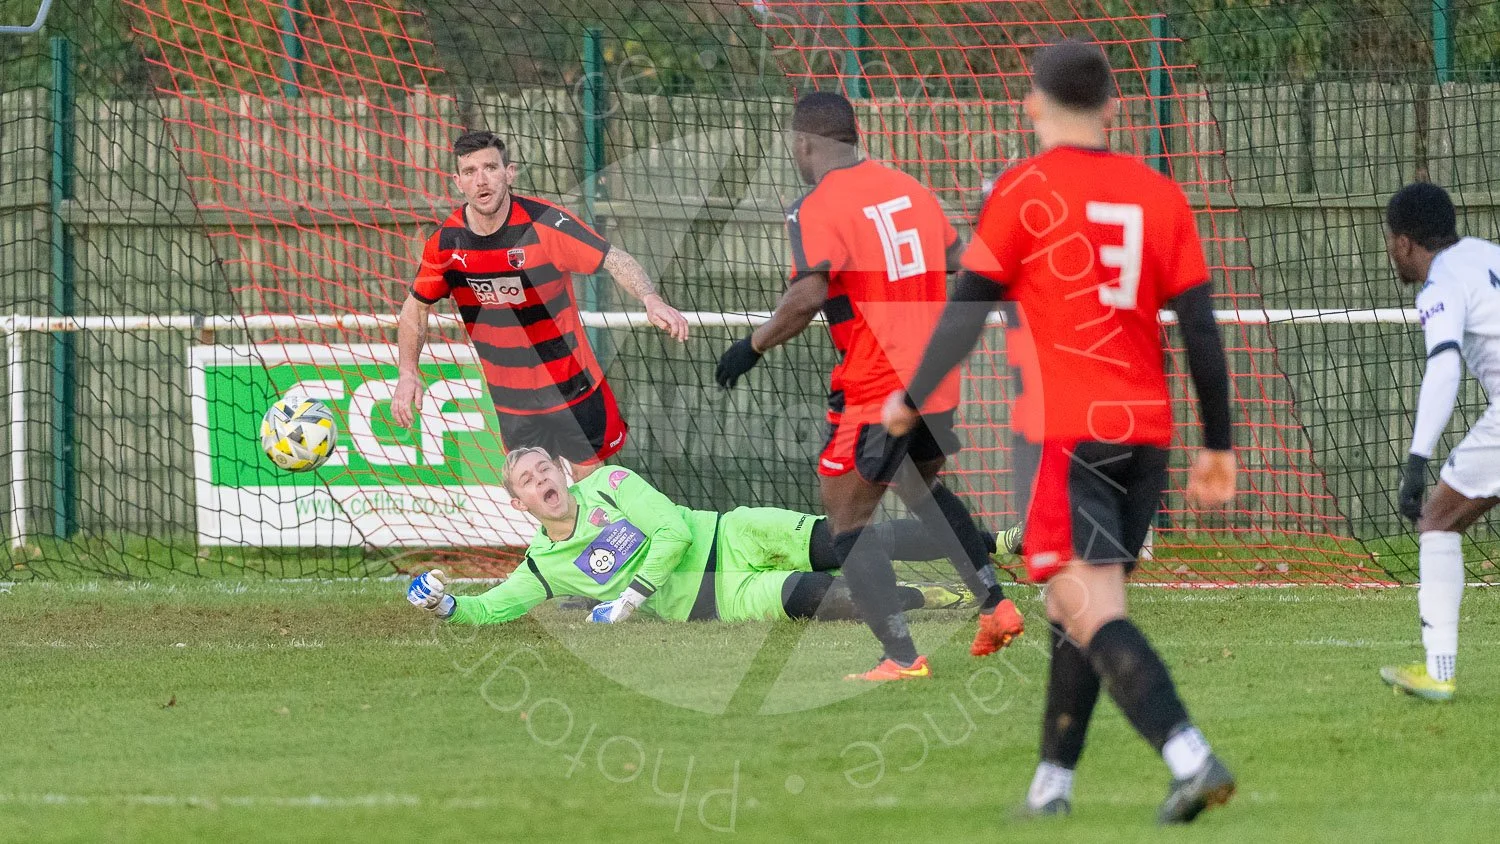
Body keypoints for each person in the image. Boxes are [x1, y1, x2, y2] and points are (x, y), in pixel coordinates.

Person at [883, 42, 1238, 823]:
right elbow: (1204, 332)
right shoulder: (1157, 193)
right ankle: (1052, 787)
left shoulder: (1021, 190)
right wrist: (1220, 444)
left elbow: (967, 310)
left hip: (1071, 436)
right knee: (1070, 611)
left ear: (1031, 106)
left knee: (1093, 611)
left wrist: (909, 400)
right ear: (1116, 108)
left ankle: (1189, 755)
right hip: (1146, 437)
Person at [714, 92, 1023, 682]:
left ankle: (902, 658)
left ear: (804, 143)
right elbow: (960, 259)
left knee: (845, 517)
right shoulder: (911, 189)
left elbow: (806, 295)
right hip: (935, 379)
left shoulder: (815, 206)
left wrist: (750, 346)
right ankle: (996, 604)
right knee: (918, 488)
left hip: (878, 385)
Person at [406, 447, 991, 625]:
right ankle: (933, 597)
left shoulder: (611, 481)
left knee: (855, 541)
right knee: (820, 597)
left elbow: (668, 533)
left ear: (561, 470)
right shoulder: (543, 565)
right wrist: (445, 604)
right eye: (527, 482)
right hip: (712, 602)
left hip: (730, 536)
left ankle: (991, 544)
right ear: (520, 502)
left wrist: (628, 598)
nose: (541, 483)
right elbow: (489, 609)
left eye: (544, 470)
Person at [391, 130, 690, 478]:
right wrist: (408, 372)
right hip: (512, 401)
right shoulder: (446, 243)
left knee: (594, 492)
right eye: (470, 172)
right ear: (458, 182)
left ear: (510, 172)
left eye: (490, 167)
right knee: (538, 493)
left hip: (571, 386)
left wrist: (650, 298)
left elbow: (613, 258)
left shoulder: (546, 223)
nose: (481, 180)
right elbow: (415, 307)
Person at [1382, 182, 1500, 702]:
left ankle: (1439, 671)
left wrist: (1416, 459)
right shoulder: (1486, 254)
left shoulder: (1440, 285)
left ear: (1405, 242)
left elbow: (1445, 366)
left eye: (1390, 240)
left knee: (1437, 519)